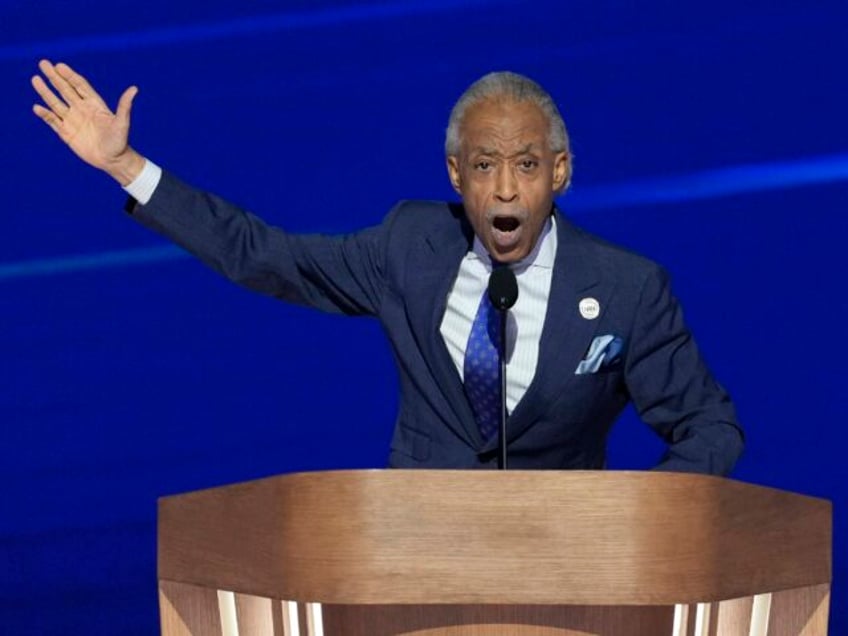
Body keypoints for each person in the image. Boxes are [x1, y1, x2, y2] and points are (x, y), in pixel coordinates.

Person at [31, 60, 744, 474]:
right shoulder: (408, 246)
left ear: (559, 172)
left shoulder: (625, 287)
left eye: (526, 166)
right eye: (485, 166)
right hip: (412, 561)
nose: (504, 190)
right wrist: (126, 166)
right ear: (454, 173)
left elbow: (710, 429)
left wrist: (632, 521)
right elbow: (262, 254)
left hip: (564, 570)